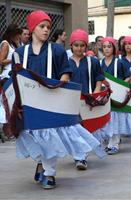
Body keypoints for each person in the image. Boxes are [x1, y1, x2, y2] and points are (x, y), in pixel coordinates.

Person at [12, 10, 104, 189]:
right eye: (42, 26)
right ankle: (40, 162)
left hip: (50, 102)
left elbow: (65, 74)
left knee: (48, 138)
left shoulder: (57, 50)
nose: (46, 30)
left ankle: (49, 173)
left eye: (48, 27)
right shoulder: (20, 53)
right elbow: (16, 79)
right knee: (33, 138)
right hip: (28, 104)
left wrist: (56, 92)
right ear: (32, 29)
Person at [68, 29, 107, 170]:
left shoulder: (92, 62)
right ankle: (79, 156)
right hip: (70, 101)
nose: (79, 48)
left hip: (87, 100)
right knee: (74, 128)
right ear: (71, 45)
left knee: (86, 128)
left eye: (82, 45)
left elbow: (99, 78)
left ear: (86, 46)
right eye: (76, 45)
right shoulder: (65, 62)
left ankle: (81, 156)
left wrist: (95, 94)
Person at [100, 36, 131, 155]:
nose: (107, 49)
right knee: (105, 119)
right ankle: (106, 141)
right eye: (104, 47)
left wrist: (122, 85)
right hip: (104, 96)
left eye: (109, 47)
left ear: (114, 48)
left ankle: (114, 144)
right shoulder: (99, 62)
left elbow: (129, 76)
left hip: (116, 96)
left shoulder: (120, 62)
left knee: (115, 119)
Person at [0, 24, 22, 132]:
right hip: (6, 76)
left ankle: (10, 128)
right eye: (16, 35)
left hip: (14, 75)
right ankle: (6, 129)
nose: (18, 37)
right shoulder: (5, 44)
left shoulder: (13, 45)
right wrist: (13, 59)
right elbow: (1, 60)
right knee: (7, 102)